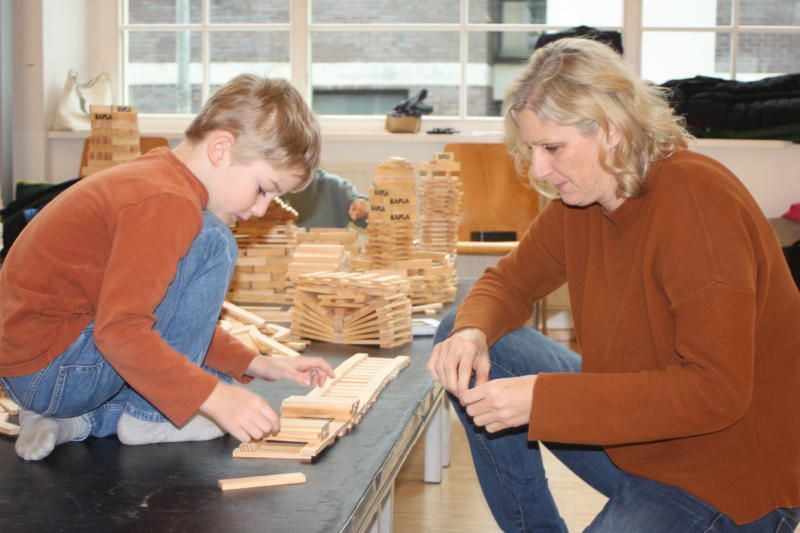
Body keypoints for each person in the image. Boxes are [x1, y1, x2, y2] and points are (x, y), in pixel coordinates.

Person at [428, 38, 800, 532]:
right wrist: (472, 332)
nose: (539, 169)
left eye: (552, 148)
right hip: (644, 443)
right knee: (460, 329)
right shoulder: (582, 201)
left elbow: (717, 392)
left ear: (612, 131)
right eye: (533, 149)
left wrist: (543, 401)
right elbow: (507, 283)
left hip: (730, 475)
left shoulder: (696, 203)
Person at [0, 74, 336, 461]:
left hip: (37, 374)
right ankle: (151, 417)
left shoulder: (156, 178)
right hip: (59, 370)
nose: (261, 209)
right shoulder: (168, 204)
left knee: (205, 382)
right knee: (214, 243)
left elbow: (166, 315)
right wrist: (215, 398)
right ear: (221, 148)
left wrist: (260, 364)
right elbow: (122, 332)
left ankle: (72, 422)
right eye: (264, 188)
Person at [282, 169, 369, 228]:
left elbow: (365, 213)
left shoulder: (333, 186)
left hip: (329, 252)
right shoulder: (271, 190)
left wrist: (363, 209)